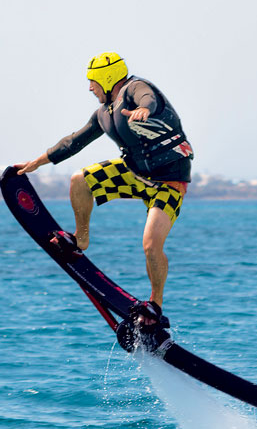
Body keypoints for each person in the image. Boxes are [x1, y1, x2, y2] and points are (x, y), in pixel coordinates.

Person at [16, 52, 194, 347]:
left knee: (151, 245)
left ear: (107, 78)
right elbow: (74, 142)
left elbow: (148, 97)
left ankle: (155, 304)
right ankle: (81, 237)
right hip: (135, 175)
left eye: (93, 82)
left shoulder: (135, 89)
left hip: (169, 182)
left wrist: (144, 110)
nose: (90, 88)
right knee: (80, 180)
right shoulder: (104, 113)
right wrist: (38, 162)